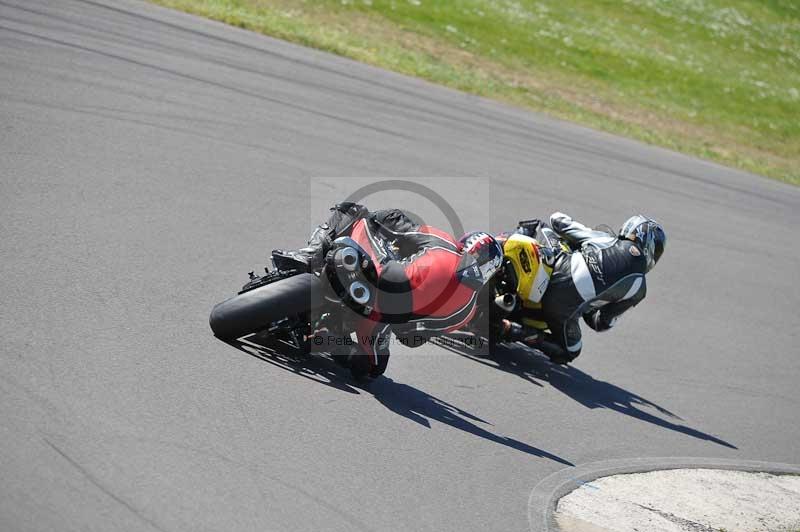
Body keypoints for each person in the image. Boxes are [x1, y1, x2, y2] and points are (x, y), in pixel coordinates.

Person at [272, 202, 503, 379]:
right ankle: (331, 340)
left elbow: (391, 220)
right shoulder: (466, 311)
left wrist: (383, 226)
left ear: (465, 244)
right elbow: (411, 339)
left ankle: (310, 254)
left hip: (375, 273)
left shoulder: (445, 243)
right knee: (373, 369)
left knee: (353, 211)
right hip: (378, 319)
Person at [495, 212, 666, 364]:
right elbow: (600, 323)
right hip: (562, 310)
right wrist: (592, 302)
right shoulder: (639, 290)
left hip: (555, 270)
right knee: (571, 350)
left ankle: (498, 256)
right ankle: (511, 330)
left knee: (542, 227)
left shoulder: (604, 238)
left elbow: (557, 220)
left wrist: (578, 241)